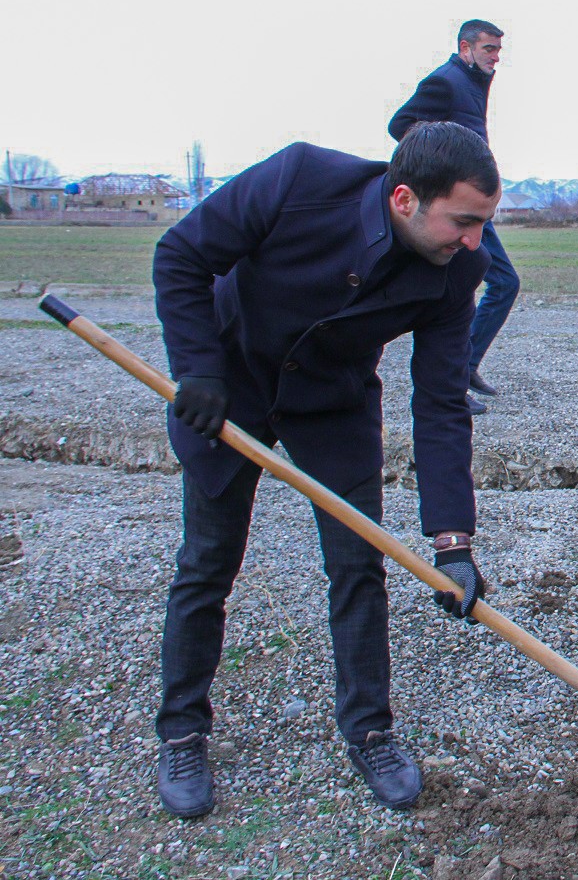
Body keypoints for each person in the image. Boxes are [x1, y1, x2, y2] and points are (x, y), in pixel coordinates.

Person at [151, 121, 499, 818]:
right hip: (231, 386)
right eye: (463, 221)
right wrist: (197, 369)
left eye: (483, 224)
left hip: (332, 402)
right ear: (404, 198)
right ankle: (182, 731)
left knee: (357, 567)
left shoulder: (457, 270)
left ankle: (370, 728)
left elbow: (437, 402)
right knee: (208, 562)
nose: (474, 241)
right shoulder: (299, 180)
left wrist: (454, 542)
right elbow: (181, 255)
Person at [390, 19, 518, 416]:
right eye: (488, 49)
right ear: (465, 48)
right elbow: (400, 125)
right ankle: (451, 381)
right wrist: (443, 167)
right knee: (464, 289)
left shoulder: (474, 82)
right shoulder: (444, 81)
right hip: (453, 206)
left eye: (498, 49)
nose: (496, 56)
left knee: (500, 283)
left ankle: (465, 367)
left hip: (473, 205)